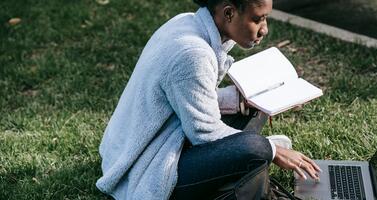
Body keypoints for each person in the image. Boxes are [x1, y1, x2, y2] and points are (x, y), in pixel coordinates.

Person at [95, 0, 321, 199]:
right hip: (150, 166)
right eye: (257, 19)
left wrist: (241, 99)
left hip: (156, 141)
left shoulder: (185, 21)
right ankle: (251, 165)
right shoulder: (193, 54)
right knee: (257, 147)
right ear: (229, 12)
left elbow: (186, 98)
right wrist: (273, 151)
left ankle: (248, 165)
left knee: (255, 104)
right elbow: (204, 133)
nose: (265, 30)